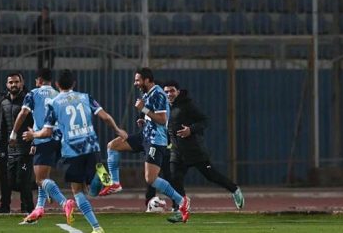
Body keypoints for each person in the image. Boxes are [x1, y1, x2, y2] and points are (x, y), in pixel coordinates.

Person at [23, 69, 127, 233]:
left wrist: (33, 134)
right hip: (92, 145)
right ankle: (104, 176)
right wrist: (117, 129)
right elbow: (105, 117)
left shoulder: (54, 103)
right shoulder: (85, 97)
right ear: (74, 84)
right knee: (92, 185)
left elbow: (47, 132)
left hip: (72, 150)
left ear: (57, 84)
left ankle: (97, 227)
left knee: (78, 192)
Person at [98, 68, 190, 223]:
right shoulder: (147, 93)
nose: (136, 83)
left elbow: (162, 119)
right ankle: (115, 183)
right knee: (112, 145)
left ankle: (182, 201)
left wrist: (143, 109)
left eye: (138, 80)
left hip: (156, 140)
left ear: (147, 80)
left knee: (151, 179)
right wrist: (143, 118)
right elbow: (150, 114)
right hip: (144, 136)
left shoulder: (159, 94)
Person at [164, 80, 244, 217]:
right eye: (166, 92)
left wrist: (191, 129)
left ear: (178, 91)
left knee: (211, 175)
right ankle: (179, 206)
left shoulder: (187, 105)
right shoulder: (164, 106)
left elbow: (205, 120)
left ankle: (235, 189)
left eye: (172, 91)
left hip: (194, 150)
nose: (169, 94)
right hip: (176, 151)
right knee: (174, 178)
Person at [9, 68, 62, 224]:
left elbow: (23, 113)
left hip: (43, 140)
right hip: (58, 139)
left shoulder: (33, 94)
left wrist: (13, 132)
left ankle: (65, 202)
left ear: (38, 80)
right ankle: (37, 211)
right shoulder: (58, 95)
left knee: (40, 180)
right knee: (43, 178)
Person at [0, 72, 34, 214]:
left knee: (23, 180)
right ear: (7, 85)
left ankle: (28, 209)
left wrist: (34, 143)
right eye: (11, 82)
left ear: (22, 84)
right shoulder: (3, 103)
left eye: (16, 82)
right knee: (11, 182)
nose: (14, 85)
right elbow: (2, 128)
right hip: (11, 150)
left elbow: (35, 124)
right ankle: (38, 189)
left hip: (25, 148)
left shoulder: (28, 101)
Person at [32, 7, 55, 71]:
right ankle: (40, 75)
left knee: (51, 59)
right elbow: (33, 33)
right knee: (40, 62)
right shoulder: (37, 22)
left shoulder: (51, 22)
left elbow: (54, 32)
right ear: (41, 13)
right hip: (40, 45)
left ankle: (49, 73)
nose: (45, 14)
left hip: (49, 45)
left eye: (46, 13)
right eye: (44, 13)